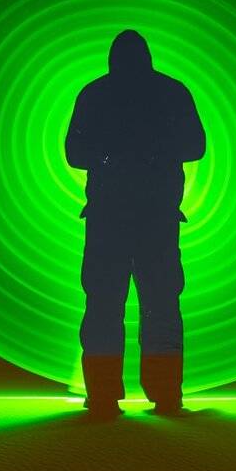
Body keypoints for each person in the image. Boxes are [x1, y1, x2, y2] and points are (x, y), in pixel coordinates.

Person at [65, 30, 206, 417]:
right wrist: (153, 154)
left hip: (114, 218)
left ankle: (105, 396)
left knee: (106, 306)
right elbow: (195, 145)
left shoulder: (94, 94)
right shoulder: (171, 92)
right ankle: (164, 396)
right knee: (158, 304)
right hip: (154, 217)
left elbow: (74, 152)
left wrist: (112, 157)